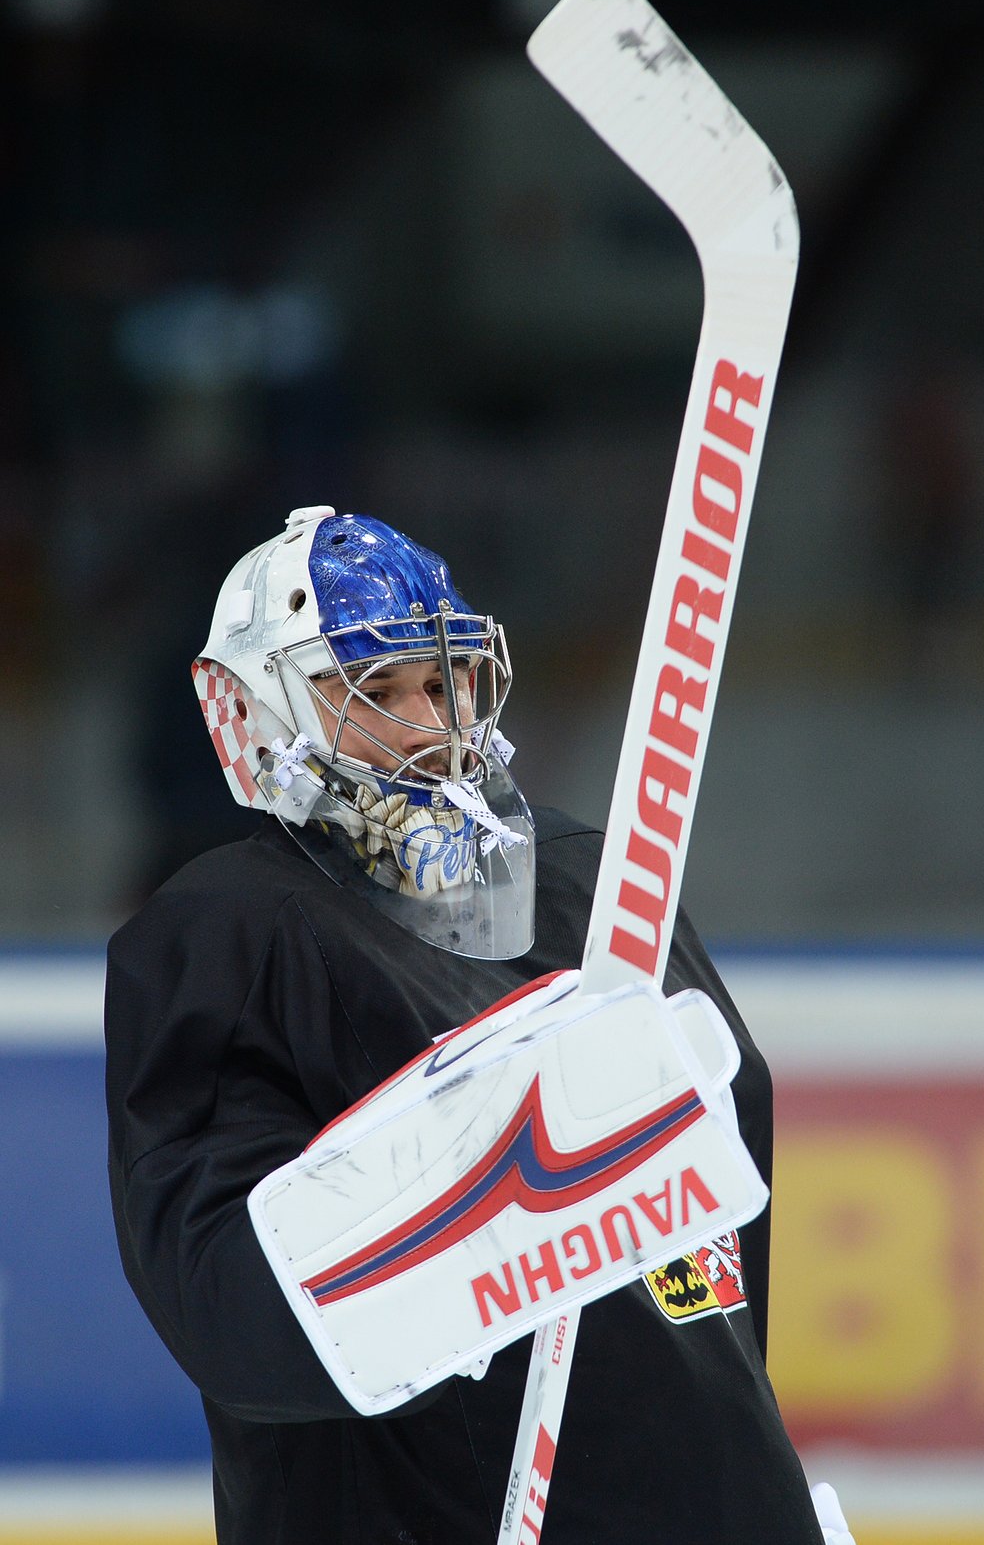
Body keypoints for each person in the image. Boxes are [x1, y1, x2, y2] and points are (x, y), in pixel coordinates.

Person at [106, 505, 851, 1544]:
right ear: (256, 714)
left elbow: (725, 1237)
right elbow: (230, 1312)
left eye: (441, 681)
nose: (426, 725)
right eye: (371, 690)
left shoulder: (598, 877)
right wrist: (498, 1187)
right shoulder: (231, 932)